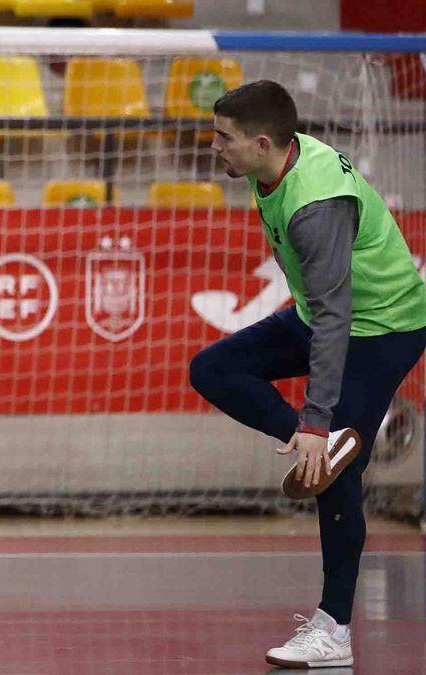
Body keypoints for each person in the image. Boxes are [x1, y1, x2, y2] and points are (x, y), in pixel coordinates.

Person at [189, 80, 426, 669]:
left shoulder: (313, 208)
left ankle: (333, 630)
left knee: (335, 471)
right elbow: (322, 309)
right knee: (213, 368)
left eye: (224, 138)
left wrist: (320, 423)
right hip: (323, 310)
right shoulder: (276, 166)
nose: (214, 147)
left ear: (263, 142)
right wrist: (308, 430)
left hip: (384, 326)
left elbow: (335, 321)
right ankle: (312, 442)